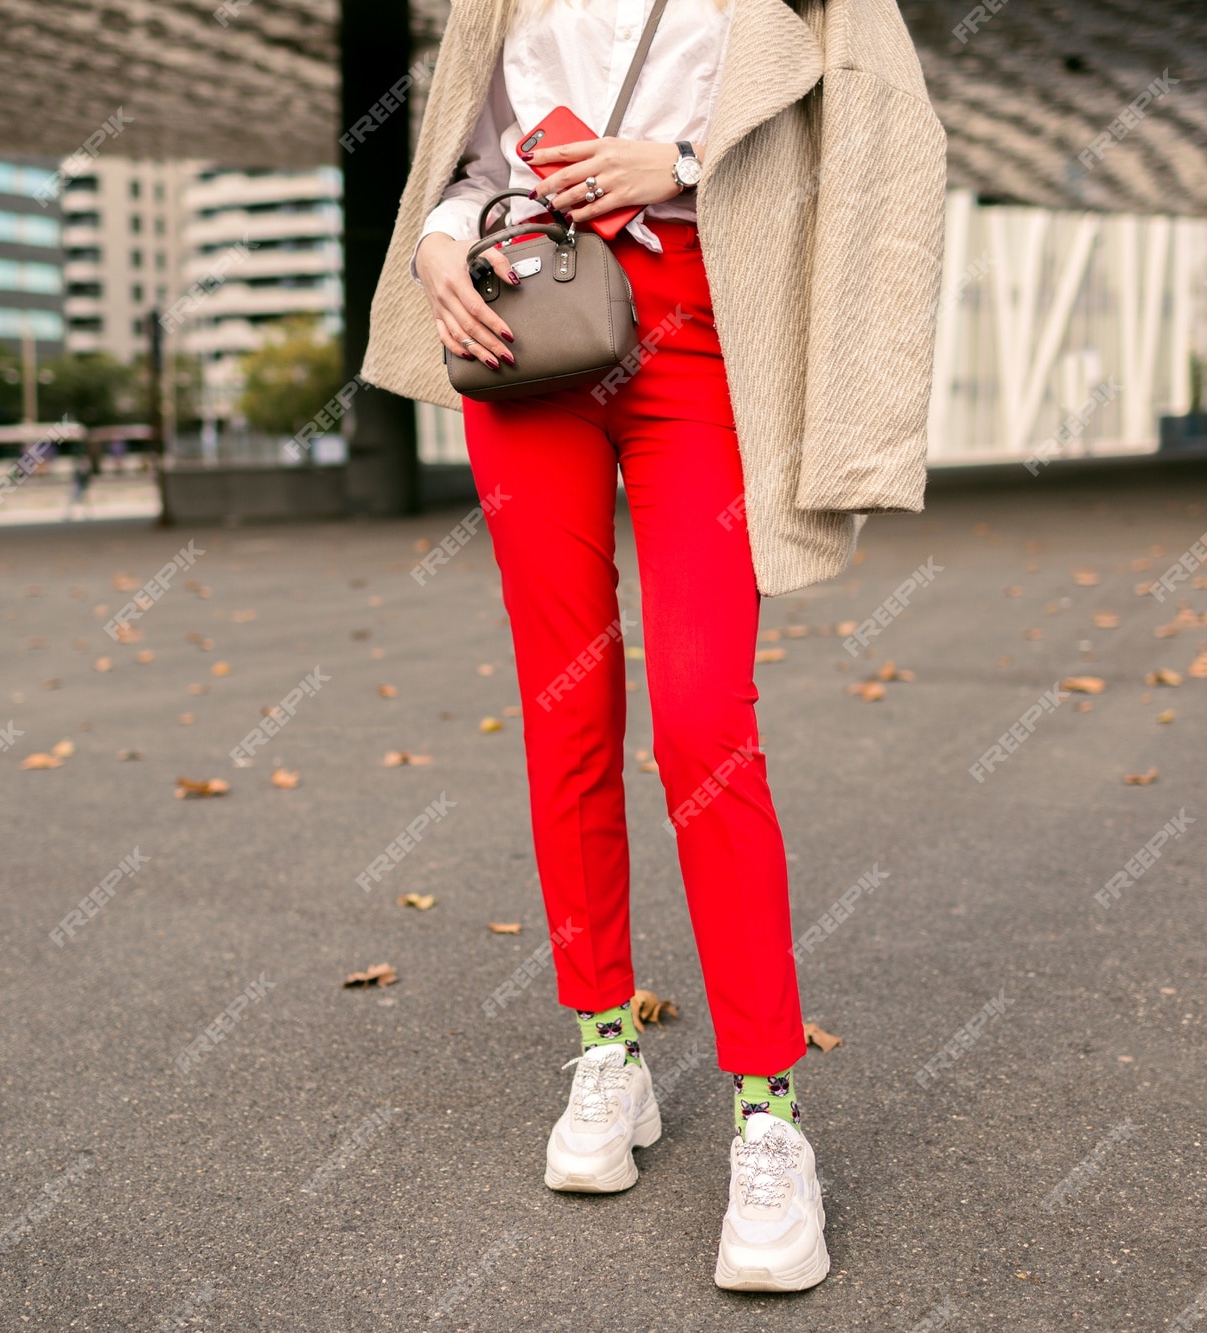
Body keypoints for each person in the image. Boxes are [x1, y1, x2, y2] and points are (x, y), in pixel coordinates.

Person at [363, 0, 946, 1293]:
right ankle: (606, 1049)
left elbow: (857, 123)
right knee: (566, 707)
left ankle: (768, 1113)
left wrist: (673, 164)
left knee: (699, 715)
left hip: (701, 325)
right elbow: (473, 147)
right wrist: (444, 243)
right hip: (527, 319)